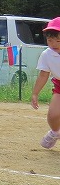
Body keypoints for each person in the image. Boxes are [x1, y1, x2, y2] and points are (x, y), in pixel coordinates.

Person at [30, 17, 60, 149]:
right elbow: (43, 75)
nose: (53, 44)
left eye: (58, 40)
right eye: (50, 40)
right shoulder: (47, 55)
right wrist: (35, 93)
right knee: (53, 116)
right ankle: (55, 132)